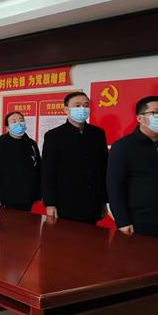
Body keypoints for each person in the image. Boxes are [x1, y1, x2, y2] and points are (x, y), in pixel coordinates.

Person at [107, 95, 158, 240]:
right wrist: (122, 220)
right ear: (140, 118)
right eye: (156, 112)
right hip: (137, 222)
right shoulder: (123, 146)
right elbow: (115, 186)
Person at [41, 91, 108, 224]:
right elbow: (48, 171)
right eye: (77, 105)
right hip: (66, 202)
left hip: (93, 201)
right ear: (66, 110)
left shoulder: (98, 134)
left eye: (86, 105)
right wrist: (50, 203)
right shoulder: (54, 135)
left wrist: (104, 200)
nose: (82, 109)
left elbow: (104, 167)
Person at [0, 112, 41, 211]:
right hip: (8, 197)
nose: (19, 123)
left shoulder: (31, 144)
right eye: (14, 122)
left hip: (28, 196)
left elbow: (38, 168)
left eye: (21, 121)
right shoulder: (0, 144)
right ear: (7, 127)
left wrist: (37, 194)